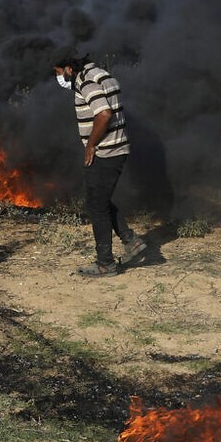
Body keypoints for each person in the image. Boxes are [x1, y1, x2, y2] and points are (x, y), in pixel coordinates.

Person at [52, 50, 147, 277]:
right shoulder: (103, 74)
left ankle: (106, 264)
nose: (59, 78)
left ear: (69, 68)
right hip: (116, 149)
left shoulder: (86, 81)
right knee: (100, 201)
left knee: (96, 206)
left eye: (58, 72)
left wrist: (91, 145)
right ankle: (131, 241)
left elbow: (104, 113)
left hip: (105, 153)